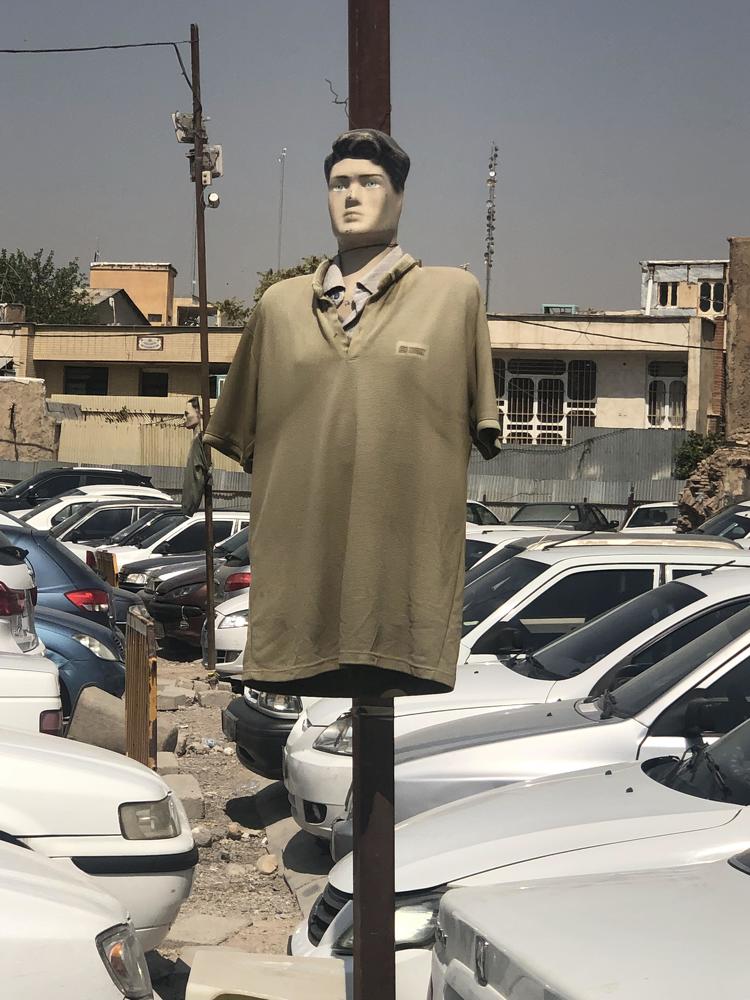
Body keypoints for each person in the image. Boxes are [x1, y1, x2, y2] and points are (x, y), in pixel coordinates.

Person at [204, 129, 501, 696]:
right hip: (296, 626)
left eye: (370, 182)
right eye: (339, 183)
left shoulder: (454, 298)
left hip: (405, 630)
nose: (352, 195)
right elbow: (237, 436)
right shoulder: (278, 307)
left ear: (400, 197)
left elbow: (481, 424)